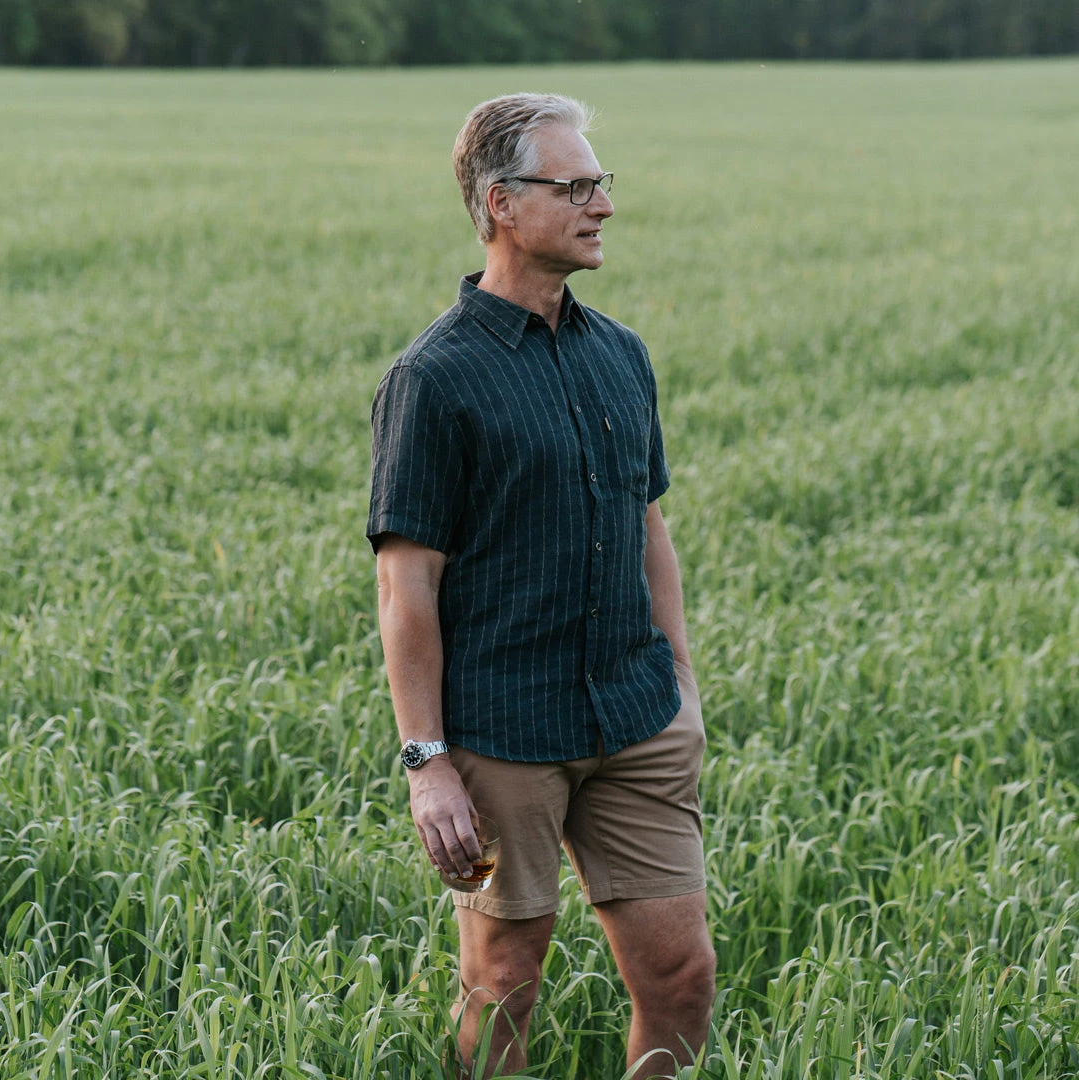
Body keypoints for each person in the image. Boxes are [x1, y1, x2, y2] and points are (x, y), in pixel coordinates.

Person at [367, 92, 715, 1079]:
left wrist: (680, 686)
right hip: (497, 745)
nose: (601, 204)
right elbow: (407, 584)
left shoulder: (621, 357)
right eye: (574, 187)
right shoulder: (433, 380)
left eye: (601, 183)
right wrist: (426, 762)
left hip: (638, 727)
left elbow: (649, 526)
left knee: (682, 974)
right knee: (501, 980)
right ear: (498, 205)